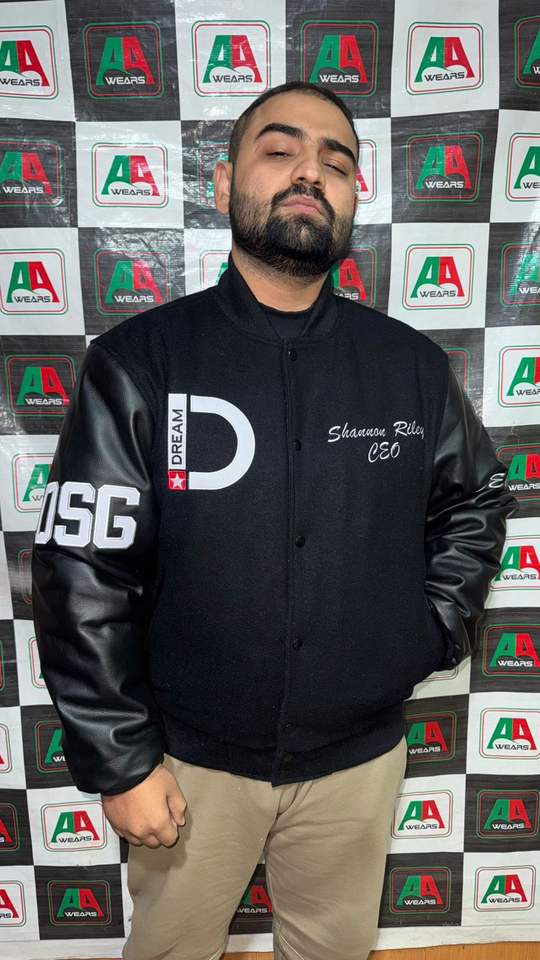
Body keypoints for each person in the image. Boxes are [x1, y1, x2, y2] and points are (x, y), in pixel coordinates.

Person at [31, 81, 518, 960]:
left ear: (355, 195)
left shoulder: (409, 365)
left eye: (336, 161)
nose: (309, 172)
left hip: (358, 763)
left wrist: (432, 628)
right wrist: (121, 758)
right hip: (187, 762)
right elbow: (81, 570)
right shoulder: (140, 362)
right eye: (280, 149)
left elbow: (476, 499)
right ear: (223, 184)